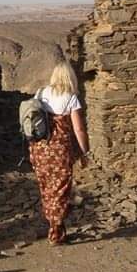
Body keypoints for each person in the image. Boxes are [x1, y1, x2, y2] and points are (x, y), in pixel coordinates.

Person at [28, 60, 91, 245]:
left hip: (38, 148)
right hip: (59, 150)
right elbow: (79, 129)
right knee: (60, 188)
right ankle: (55, 230)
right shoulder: (71, 97)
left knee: (47, 187)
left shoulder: (41, 93)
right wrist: (85, 152)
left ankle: (55, 226)